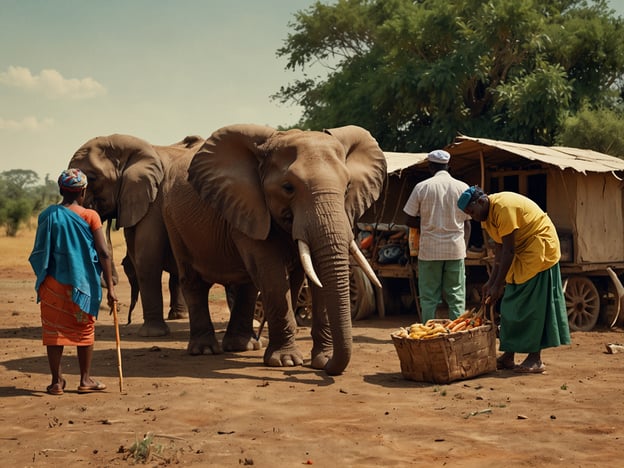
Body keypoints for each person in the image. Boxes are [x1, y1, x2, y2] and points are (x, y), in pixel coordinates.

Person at [457, 186, 571, 373]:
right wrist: (491, 282)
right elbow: (500, 251)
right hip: (521, 253)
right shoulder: (487, 217)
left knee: (533, 307)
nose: (472, 217)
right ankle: (508, 356)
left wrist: (498, 285)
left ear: (480, 201)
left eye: (471, 211)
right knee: (511, 305)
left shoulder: (503, 208)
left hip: (538, 250)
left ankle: (535, 359)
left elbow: (509, 250)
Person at [29, 168, 117, 395]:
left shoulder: (47, 215)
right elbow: (104, 253)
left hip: (52, 284)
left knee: (53, 332)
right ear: (83, 192)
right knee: (84, 330)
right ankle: (85, 380)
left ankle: (56, 382)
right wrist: (111, 287)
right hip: (83, 285)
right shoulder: (90, 216)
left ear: (61, 190)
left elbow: (40, 251)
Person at [403, 149, 471, 323]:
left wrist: (426, 224)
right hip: (455, 250)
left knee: (428, 297)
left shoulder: (422, 187)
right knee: (456, 296)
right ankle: (457, 334)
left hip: (429, 251)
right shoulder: (463, 187)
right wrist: (464, 247)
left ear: (430, 167)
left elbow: (409, 219)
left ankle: (428, 331)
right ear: (448, 166)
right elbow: (468, 223)